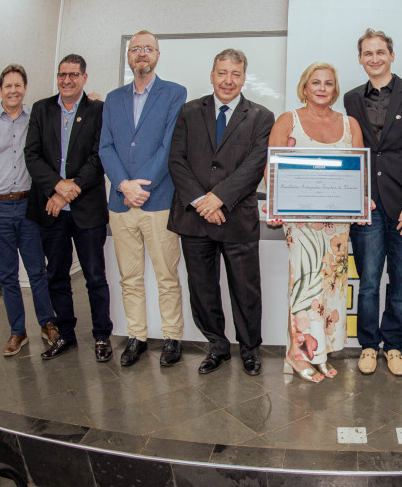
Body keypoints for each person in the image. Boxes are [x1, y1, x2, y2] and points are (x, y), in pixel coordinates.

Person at [168, 49, 274, 376]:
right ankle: (217, 345)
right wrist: (203, 200)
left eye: (236, 74)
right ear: (212, 75)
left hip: (236, 218)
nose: (228, 80)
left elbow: (255, 165)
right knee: (203, 288)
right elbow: (177, 161)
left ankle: (249, 348)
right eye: (222, 72)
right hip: (194, 218)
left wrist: (219, 198)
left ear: (244, 78)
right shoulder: (187, 112)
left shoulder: (261, 117)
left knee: (245, 289)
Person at [344, 28, 402, 377]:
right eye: (367, 53)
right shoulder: (352, 98)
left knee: (400, 282)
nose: (374, 58)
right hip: (366, 205)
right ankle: (369, 345)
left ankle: (394, 345)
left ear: (391, 55)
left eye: (380, 52)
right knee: (368, 281)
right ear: (360, 59)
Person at [268, 63, 365, 383]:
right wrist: (274, 204)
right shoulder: (288, 120)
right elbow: (271, 169)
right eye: (315, 82)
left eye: (328, 83)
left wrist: (363, 198)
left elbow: (358, 173)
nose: (322, 88)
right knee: (305, 285)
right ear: (305, 87)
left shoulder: (350, 124)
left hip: (338, 223)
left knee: (332, 287)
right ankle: (298, 356)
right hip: (300, 223)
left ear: (335, 89)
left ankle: (320, 354)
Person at [99, 30, 188, 368]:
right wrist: (124, 185)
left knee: (167, 275)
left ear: (157, 55)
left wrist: (141, 186)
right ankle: (136, 337)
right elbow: (105, 146)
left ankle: (172, 337)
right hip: (121, 204)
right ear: (128, 56)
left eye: (147, 49)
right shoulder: (113, 98)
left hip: (158, 201)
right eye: (135, 49)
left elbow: (169, 146)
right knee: (130, 277)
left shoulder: (174, 93)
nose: (141, 54)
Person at [0, 64, 59, 356]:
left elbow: (65, 108)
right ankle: (18, 332)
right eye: (8, 86)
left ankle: (47, 324)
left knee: (36, 271)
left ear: (25, 88)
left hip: (29, 205)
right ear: (1, 89)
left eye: (18, 85)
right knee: (7, 275)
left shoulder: (37, 118)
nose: (13, 91)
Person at [25, 54, 113, 362]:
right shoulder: (41, 109)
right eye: (62, 74)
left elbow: (100, 156)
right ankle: (66, 335)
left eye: (73, 74)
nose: (67, 80)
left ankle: (102, 335)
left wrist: (68, 191)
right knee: (57, 277)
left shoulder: (99, 111)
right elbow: (32, 156)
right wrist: (56, 187)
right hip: (51, 212)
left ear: (84, 78)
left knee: (95, 277)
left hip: (86, 210)